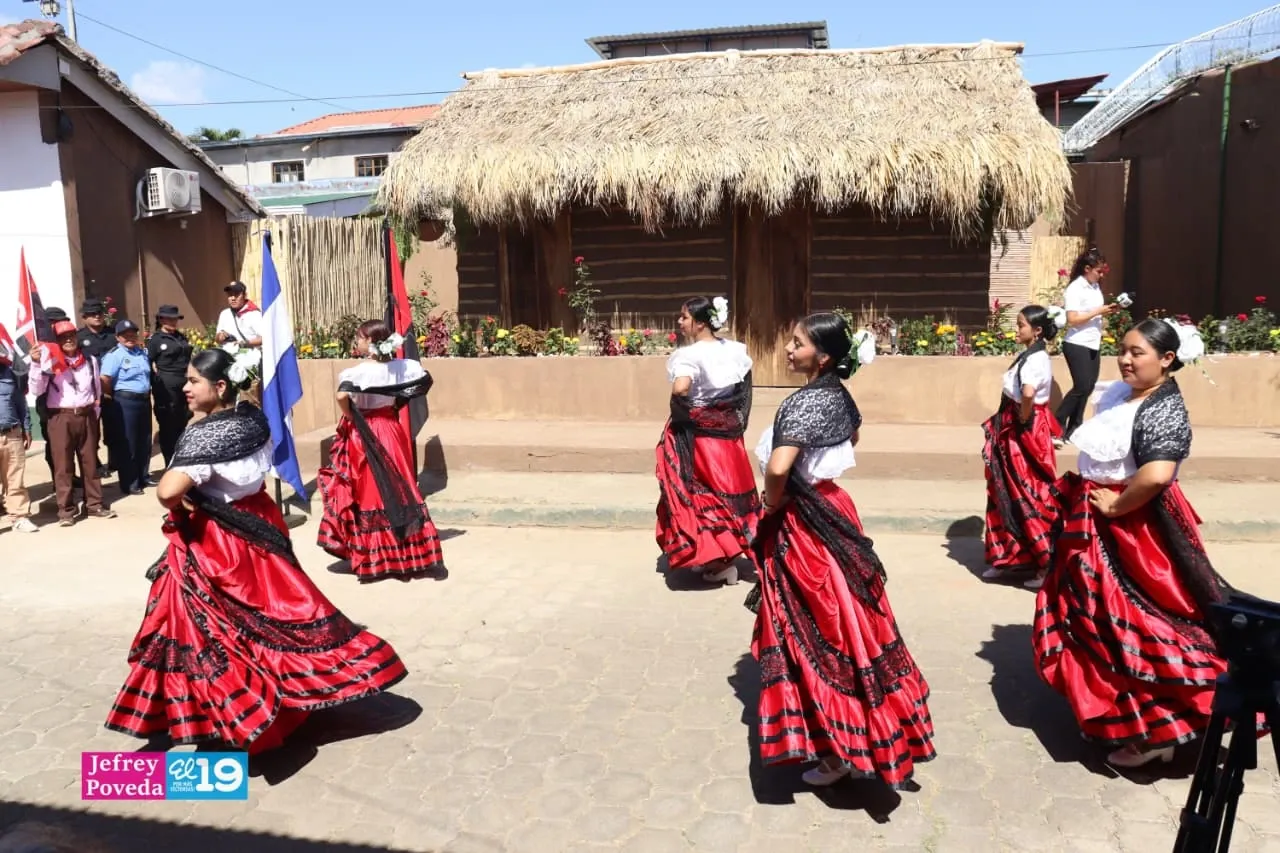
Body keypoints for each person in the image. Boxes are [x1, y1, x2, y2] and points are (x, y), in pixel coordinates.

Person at [106, 349, 408, 755]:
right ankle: (277, 698)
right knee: (272, 617)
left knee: (212, 628)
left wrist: (186, 494)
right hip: (260, 527)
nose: (185, 387)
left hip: (219, 543)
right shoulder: (254, 418)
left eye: (194, 380)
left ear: (220, 386)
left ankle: (234, 713)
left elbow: (167, 492)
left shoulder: (206, 434)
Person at [1033, 318, 1268, 769]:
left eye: (1137, 352)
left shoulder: (1164, 408)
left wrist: (1116, 509)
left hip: (1135, 528)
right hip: (1102, 518)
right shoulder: (1125, 394)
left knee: (1140, 622)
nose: (1125, 359)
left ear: (1166, 359)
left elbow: (1157, 474)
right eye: (1123, 349)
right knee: (1098, 621)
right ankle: (1125, 717)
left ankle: (1158, 731)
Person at [748, 312, 934, 789]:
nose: (789, 350)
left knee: (815, 625)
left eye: (797, 344)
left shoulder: (801, 404)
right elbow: (852, 436)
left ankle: (839, 746)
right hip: (835, 507)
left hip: (805, 525)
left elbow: (778, 466)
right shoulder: (840, 397)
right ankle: (873, 729)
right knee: (853, 619)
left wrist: (773, 504)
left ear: (823, 357)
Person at [317, 319, 445, 582]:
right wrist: (397, 402)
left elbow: (342, 396)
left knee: (371, 490)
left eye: (361, 338)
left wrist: (351, 415)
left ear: (372, 342)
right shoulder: (403, 368)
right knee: (401, 485)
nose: (358, 341)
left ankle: (377, 556)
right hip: (391, 428)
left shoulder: (357, 373)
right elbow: (423, 382)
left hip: (366, 431)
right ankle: (409, 551)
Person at [655, 296, 759, 585]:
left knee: (704, 495)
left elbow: (681, 388)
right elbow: (742, 386)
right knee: (731, 493)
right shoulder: (735, 350)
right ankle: (721, 557)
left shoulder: (689, 356)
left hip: (700, 440)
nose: (680, 321)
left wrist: (689, 401)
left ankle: (722, 563)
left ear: (700, 323)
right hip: (728, 437)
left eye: (684, 317)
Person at [980, 304, 1064, 590]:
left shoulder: (1036, 360)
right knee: (1005, 489)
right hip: (1014, 426)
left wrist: (1023, 418)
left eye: (1021, 325)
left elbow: (1028, 393)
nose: (1017, 330)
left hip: (1024, 429)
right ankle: (1008, 558)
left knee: (1027, 491)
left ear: (1037, 330)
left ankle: (1044, 564)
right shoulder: (1030, 355)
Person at [29, 321, 116, 526]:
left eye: (71, 335)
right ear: (56, 341)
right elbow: (36, 390)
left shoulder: (89, 360)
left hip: (86, 415)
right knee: (63, 466)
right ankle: (66, 511)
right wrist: (35, 363)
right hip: (61, 417)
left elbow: (96, 388)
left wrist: (95, 412)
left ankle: (94, 505)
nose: (68, 340)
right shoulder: (50, 363)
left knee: (90, 463)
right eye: (62, 337)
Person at [1055, 248, 1119, 444]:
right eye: (1098, 271)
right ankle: (1056, 425)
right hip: (1076, 343)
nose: (1101, 275)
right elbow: (1072, 319)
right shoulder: (1076, 288)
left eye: (1102, 272)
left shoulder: (1094, 287)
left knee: (1088, 387)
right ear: (1087, 268)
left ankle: (1075, 429)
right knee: (1081, 385)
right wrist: (1097, 311)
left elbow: (1091, 313)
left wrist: (1106, 311)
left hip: (1093, 343)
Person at [100, 320, 154, 495]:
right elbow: (105, 379)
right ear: (118, 337)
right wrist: (112, 396)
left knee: (144, 441)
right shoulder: (114, 355)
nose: (130, 338)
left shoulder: (141, 353)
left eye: (132, 334)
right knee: (128, 443)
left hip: (144, 400)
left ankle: (143, 476)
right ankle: (130, 482)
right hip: (125, 402)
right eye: (125, 335)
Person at [0, 330, 36, 532]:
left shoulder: (10, 373)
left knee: (15, 478)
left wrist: (27, 427)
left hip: (11, 433)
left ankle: (19, 517)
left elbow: (20, 402)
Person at [148, 304, 193, 467]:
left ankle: (180, 459)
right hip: (166, 388)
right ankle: (170, 463)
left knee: (182, 421)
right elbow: (148, 363)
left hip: (184, 385)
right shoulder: (156, 340)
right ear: (161, 319)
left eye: (175, 318)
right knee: (168, 426)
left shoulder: (181, 337)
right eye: (169, 318)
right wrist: (157, 382)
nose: (173, 322)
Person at [77, 298, 118, 477]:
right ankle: (96, 463)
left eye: (100, 313)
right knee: (91, 430)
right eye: (92, 314)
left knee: (115, 427)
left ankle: (115, 461)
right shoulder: (79, 338)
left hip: (111, 389)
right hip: (90, 391)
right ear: (84, 317)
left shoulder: (113, 334)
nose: (97, 317)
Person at [215, 281, 263, 349]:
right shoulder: (224, 314)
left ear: (245, 295)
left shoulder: (254, 314)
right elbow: (217, 340)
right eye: (230, 295)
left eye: (237, 294)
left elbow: (265, 338)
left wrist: (243, 344)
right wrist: (220, 337)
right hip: (228, 357)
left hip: (251, 357)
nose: (233, 298)